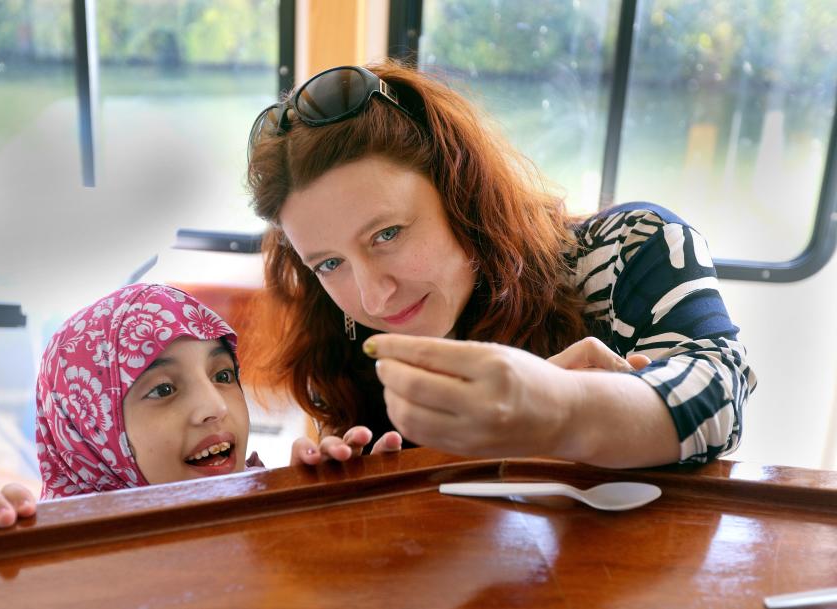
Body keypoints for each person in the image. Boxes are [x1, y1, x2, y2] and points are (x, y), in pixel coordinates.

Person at [241, 62, 757, 469]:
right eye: (329, 263)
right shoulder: (342, 342)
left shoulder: (630, 250)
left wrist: (560, 409)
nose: (375, 296)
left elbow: (718, 395)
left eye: (387, 235)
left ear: (462, 194)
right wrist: (359, 489)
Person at [0, 283, 401, 530]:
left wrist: (317, 525)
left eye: (223, 376)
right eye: (162, 389)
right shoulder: (52, 557)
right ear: (89, 433)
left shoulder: (263, 504)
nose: (212, 407)